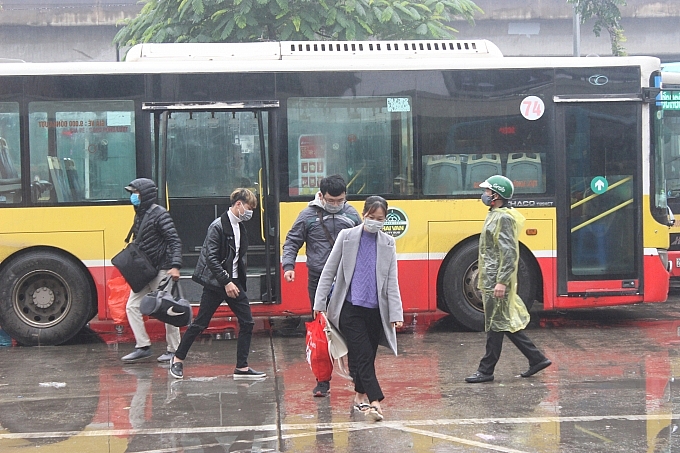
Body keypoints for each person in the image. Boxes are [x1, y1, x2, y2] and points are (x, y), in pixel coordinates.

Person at [313, 196, 404, 421]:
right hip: (350, 308)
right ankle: (375, 401)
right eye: (372, 217)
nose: (375, 222)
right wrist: (319, 303)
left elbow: (391, 282)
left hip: (375, 311)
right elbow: (329, 271)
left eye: (380, 219)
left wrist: (396, 314)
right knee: (363, 355)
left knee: (367, 356)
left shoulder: (388, 243)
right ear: (363, 215)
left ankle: (358, 397)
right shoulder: (347, 237)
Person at [170, 188, 266, 380]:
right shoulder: (218, 226)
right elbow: (211, 258)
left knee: (247, 322)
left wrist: (235, 280)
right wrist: (226, 281)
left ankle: (242, 367)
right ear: (238, 204)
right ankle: (177, 359)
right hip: (217, 284)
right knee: (200, 324)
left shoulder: (240, 226)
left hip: (234, 282)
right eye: (248, 208)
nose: (250, 213)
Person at [465, 175, 552, 383]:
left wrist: (502, 281)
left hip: (497, 280)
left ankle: (486, 370)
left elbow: (509, 252)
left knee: (496, 324)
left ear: (496, 195)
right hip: (491, 279)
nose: (484, 195)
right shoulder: (495, 214)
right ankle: (536, 358)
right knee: (500, 323)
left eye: (487, 191)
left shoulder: (503, 218)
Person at [282, 174, 361, 397]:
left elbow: (365, 244)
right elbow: (292, 241)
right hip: (319, 282)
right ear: (321, 196)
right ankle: (322, 381)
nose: (336, 205)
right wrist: (289, 266)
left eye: (340, 201)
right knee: (322, 332)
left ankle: (357, 376)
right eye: (331, 201)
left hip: (348, 282)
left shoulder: (352, 215)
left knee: (353, 330)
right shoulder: (308, 215)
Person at [120, 178, 182, 364]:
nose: (133, 197)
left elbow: (174, 241)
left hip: (162, 270)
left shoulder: (160, 214)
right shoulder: (139, 214)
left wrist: (175, 266)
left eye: (136, 193)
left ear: (145, 195)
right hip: (145, 271)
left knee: (167, 310)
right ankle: (143, 346)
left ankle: (175, 350)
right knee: (132, 306)